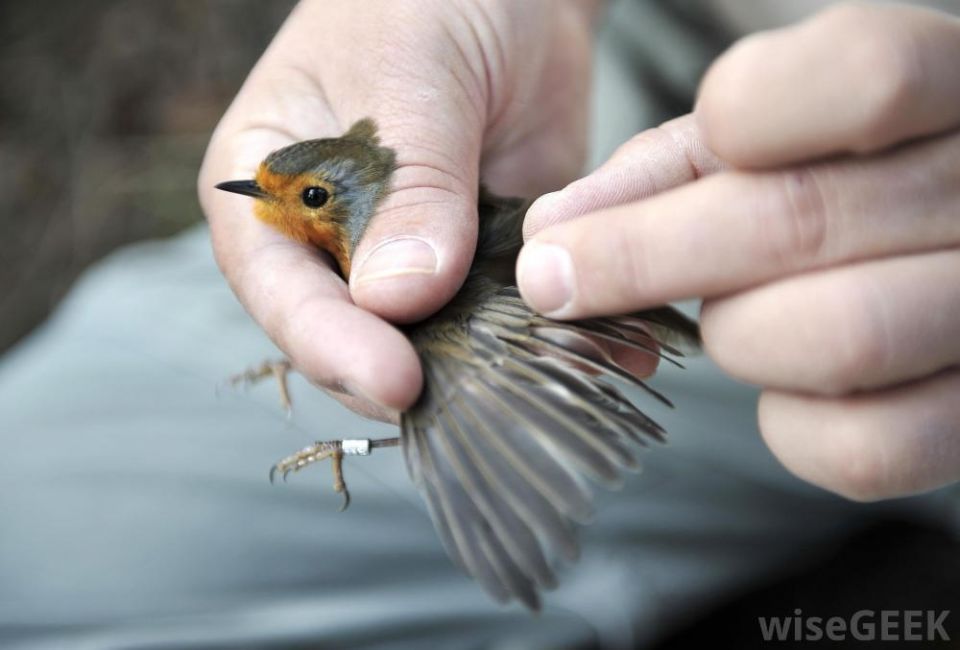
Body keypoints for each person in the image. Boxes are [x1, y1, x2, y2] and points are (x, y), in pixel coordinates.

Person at [2, 1, 957, 647]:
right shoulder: (376, 246)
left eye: (311, 196)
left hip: (799, 312)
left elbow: (481, 402)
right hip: (632, 135)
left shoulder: (432, 307)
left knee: (421, 391)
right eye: (279, 193)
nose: (274, 201)